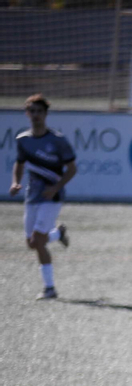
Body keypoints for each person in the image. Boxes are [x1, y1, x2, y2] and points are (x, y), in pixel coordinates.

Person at [9, 94, 74, 301]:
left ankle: (50, 289)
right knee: (32, 243)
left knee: (37, 241)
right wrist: (15, 182)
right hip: (33, 195)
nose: (36, 115)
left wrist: (56, 187)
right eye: (32, 111)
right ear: (27, 114)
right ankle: (58, 234)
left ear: (45, 114)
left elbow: (72, 169)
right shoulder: (23, 140)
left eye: (39, 111)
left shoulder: (58, 140)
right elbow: (19, 163)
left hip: (52, 197)